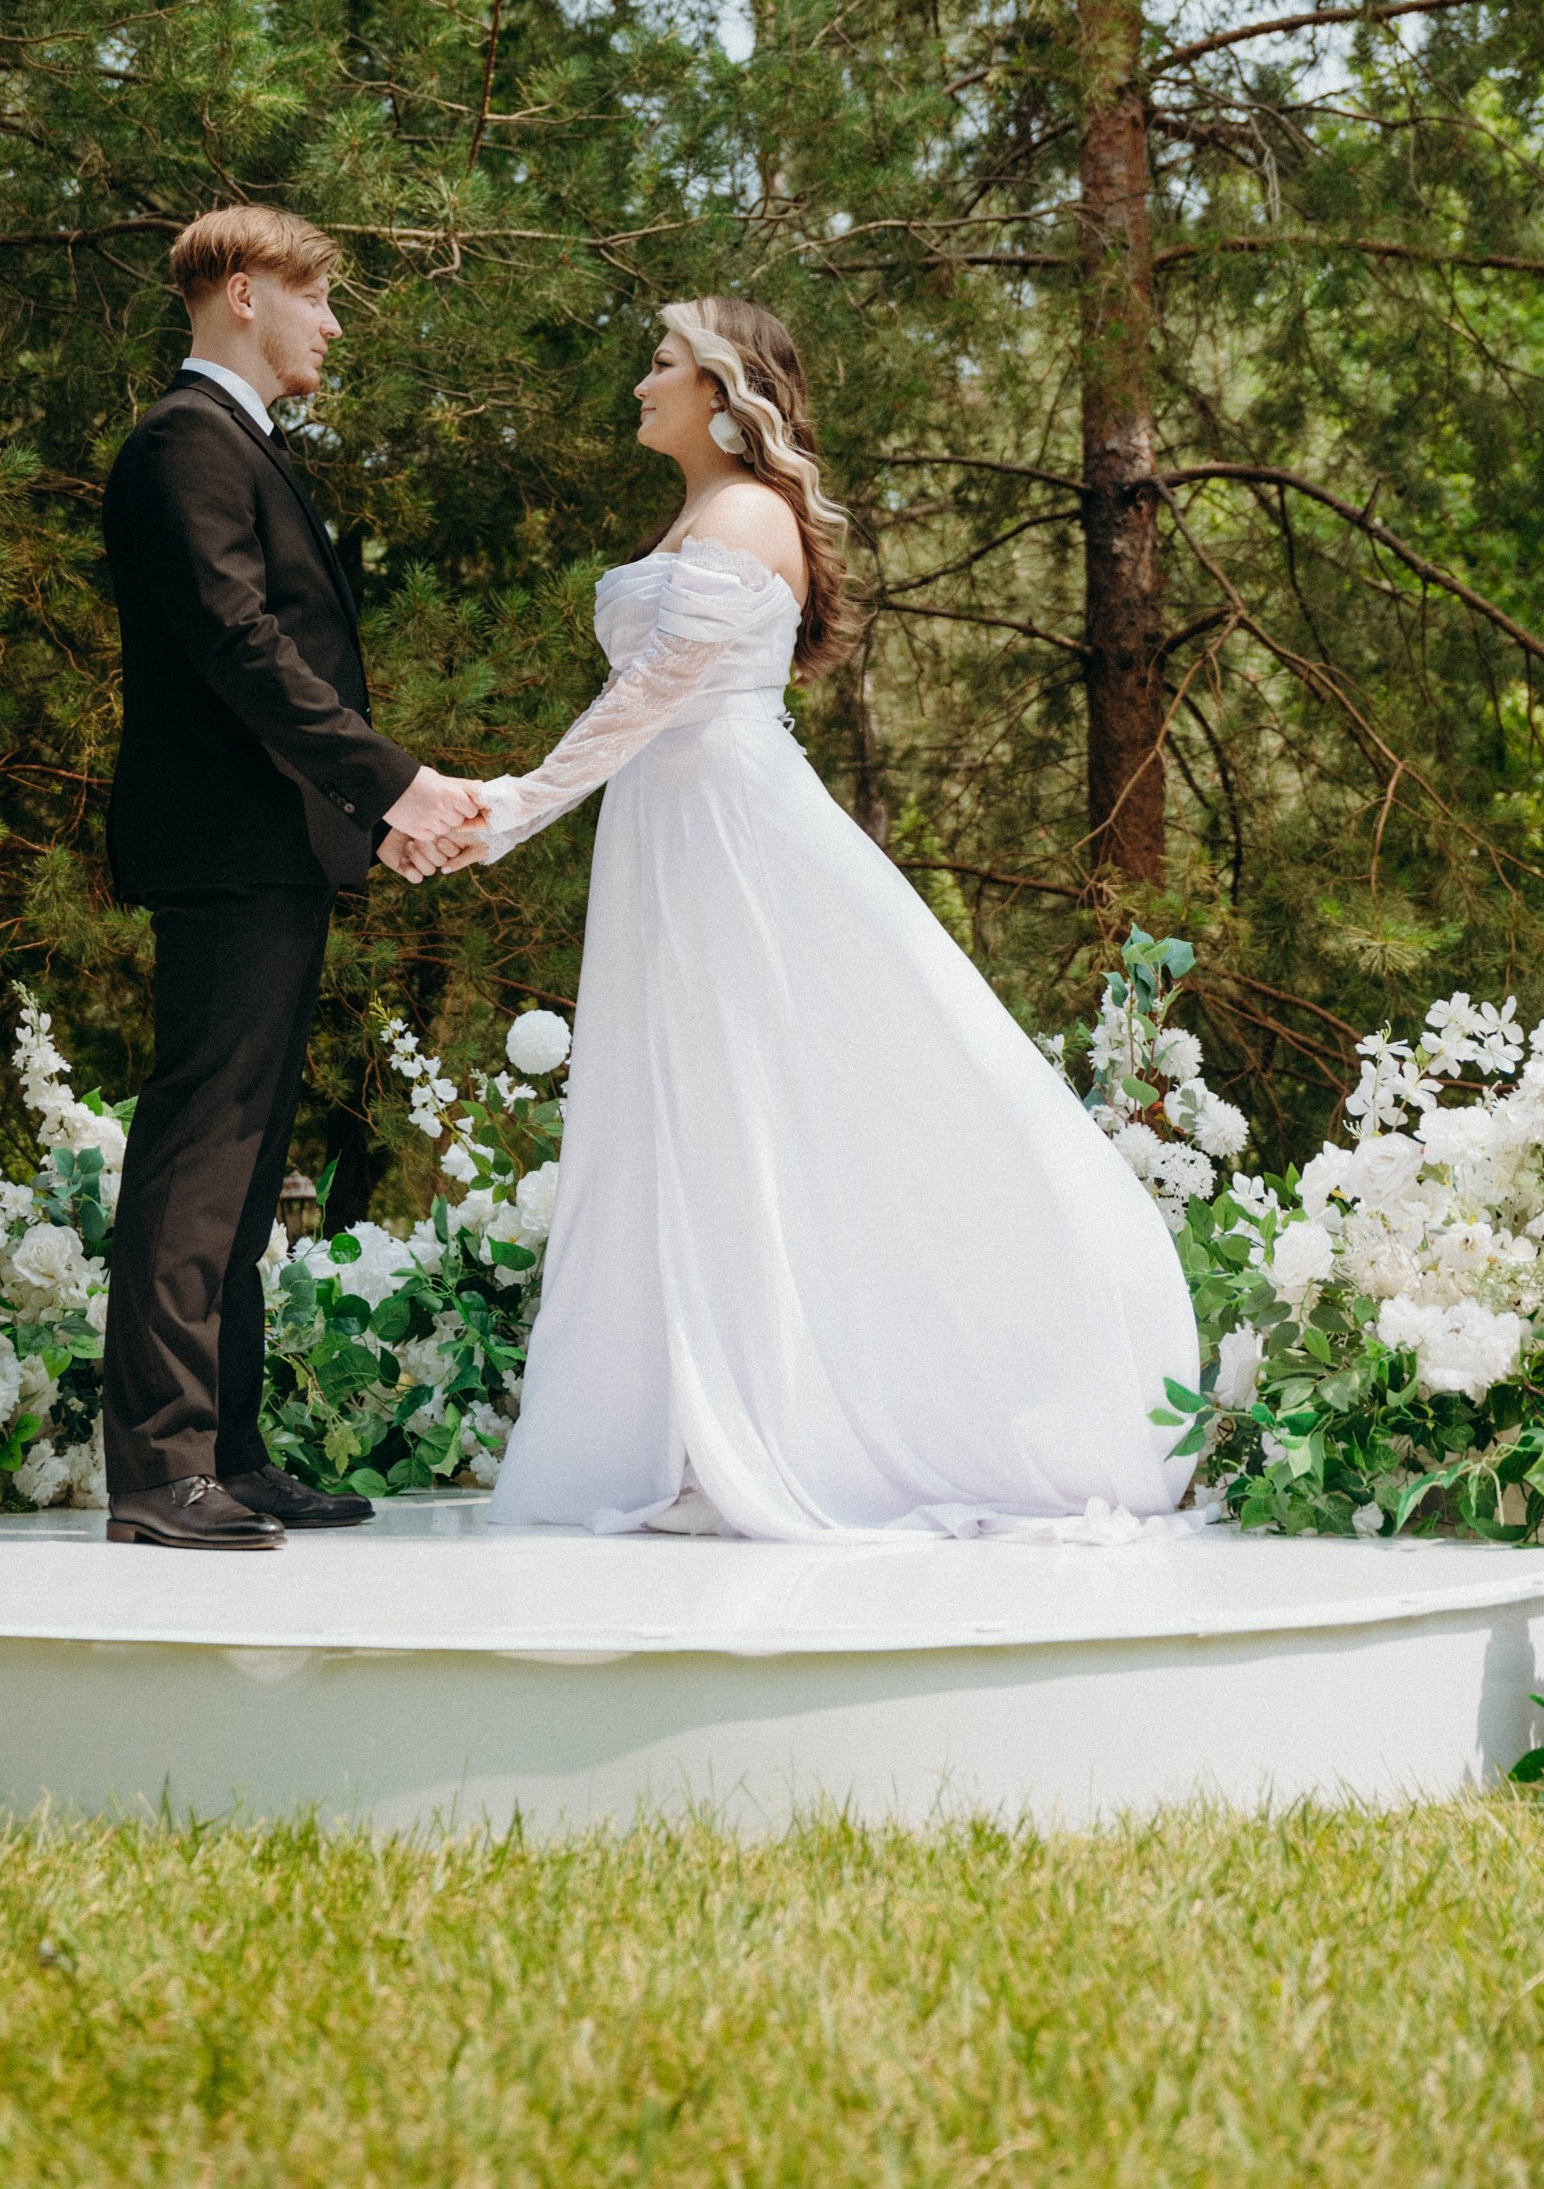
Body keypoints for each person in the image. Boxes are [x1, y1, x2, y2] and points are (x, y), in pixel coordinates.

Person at [434, 297, 1197, 1542]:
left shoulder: (739, 512)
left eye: (663, 361)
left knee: (761, 1101)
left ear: (728, 391)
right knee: (696, 1114)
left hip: (731, 836)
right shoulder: (699, 512)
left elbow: (654, 694)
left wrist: (514, 803)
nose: (641, 379)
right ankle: (699, 1418)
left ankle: (796, 1421)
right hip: (670, 835)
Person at [98, 204, 488, 1550]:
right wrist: (395, 782)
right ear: (247, 294)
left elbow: (263, 669)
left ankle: (230, 1454)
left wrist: (369, 818)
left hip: (271, 845)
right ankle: (159, 1472)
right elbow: (242, 649)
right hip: (224, 853)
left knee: (248, 1168)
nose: (332, 327)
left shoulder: (232, 448)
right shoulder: (182, 445)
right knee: (202, 1155)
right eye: (320, 301)